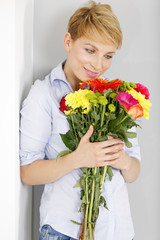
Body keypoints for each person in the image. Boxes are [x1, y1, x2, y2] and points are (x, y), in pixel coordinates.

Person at [20, 1, 141, 239]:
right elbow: (27, 173)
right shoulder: (43, 95)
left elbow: (134, 171)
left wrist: (123, 160)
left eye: (108, 55)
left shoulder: (116, 97)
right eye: (90, 50)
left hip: (118, 231)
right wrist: (78, 158)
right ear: (68, 42)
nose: (98, 65)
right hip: (66, 232)